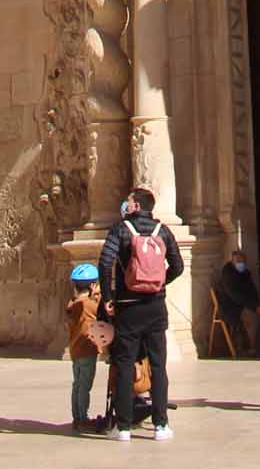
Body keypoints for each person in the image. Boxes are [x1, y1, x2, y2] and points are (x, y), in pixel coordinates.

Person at [99, 186, 184, 442]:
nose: (126, 205)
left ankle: (123, 427)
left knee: (125, 364)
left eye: (129, 202)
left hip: (129, 305)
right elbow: (178, 265)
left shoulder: (121, 229)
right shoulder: (163, 230)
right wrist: (158, 283)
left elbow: (104, 262)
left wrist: (107, 297)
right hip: (156, 306)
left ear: (135, 206)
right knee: (158, 365)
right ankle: (161, 425)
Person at [65, 261, 108, 434]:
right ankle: (83, 418)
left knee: (77, 384)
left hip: (75, 351)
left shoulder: (72, 303)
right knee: (85, 386)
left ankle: (77, 417)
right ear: (92, 285)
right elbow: (103, 311)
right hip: (87, 350)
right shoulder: (91, 305)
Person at [216, 245, 260, 354]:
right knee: (253, 317)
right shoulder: (228, 274)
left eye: (243, 262)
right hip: (231, 307)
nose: (241, 264)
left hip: (246, 304)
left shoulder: (245, 273)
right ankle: (252, 347)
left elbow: (252, 290)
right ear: (232, 261)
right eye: (238, 261)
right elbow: (234, 295)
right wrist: (253, 306)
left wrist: (258, 304)